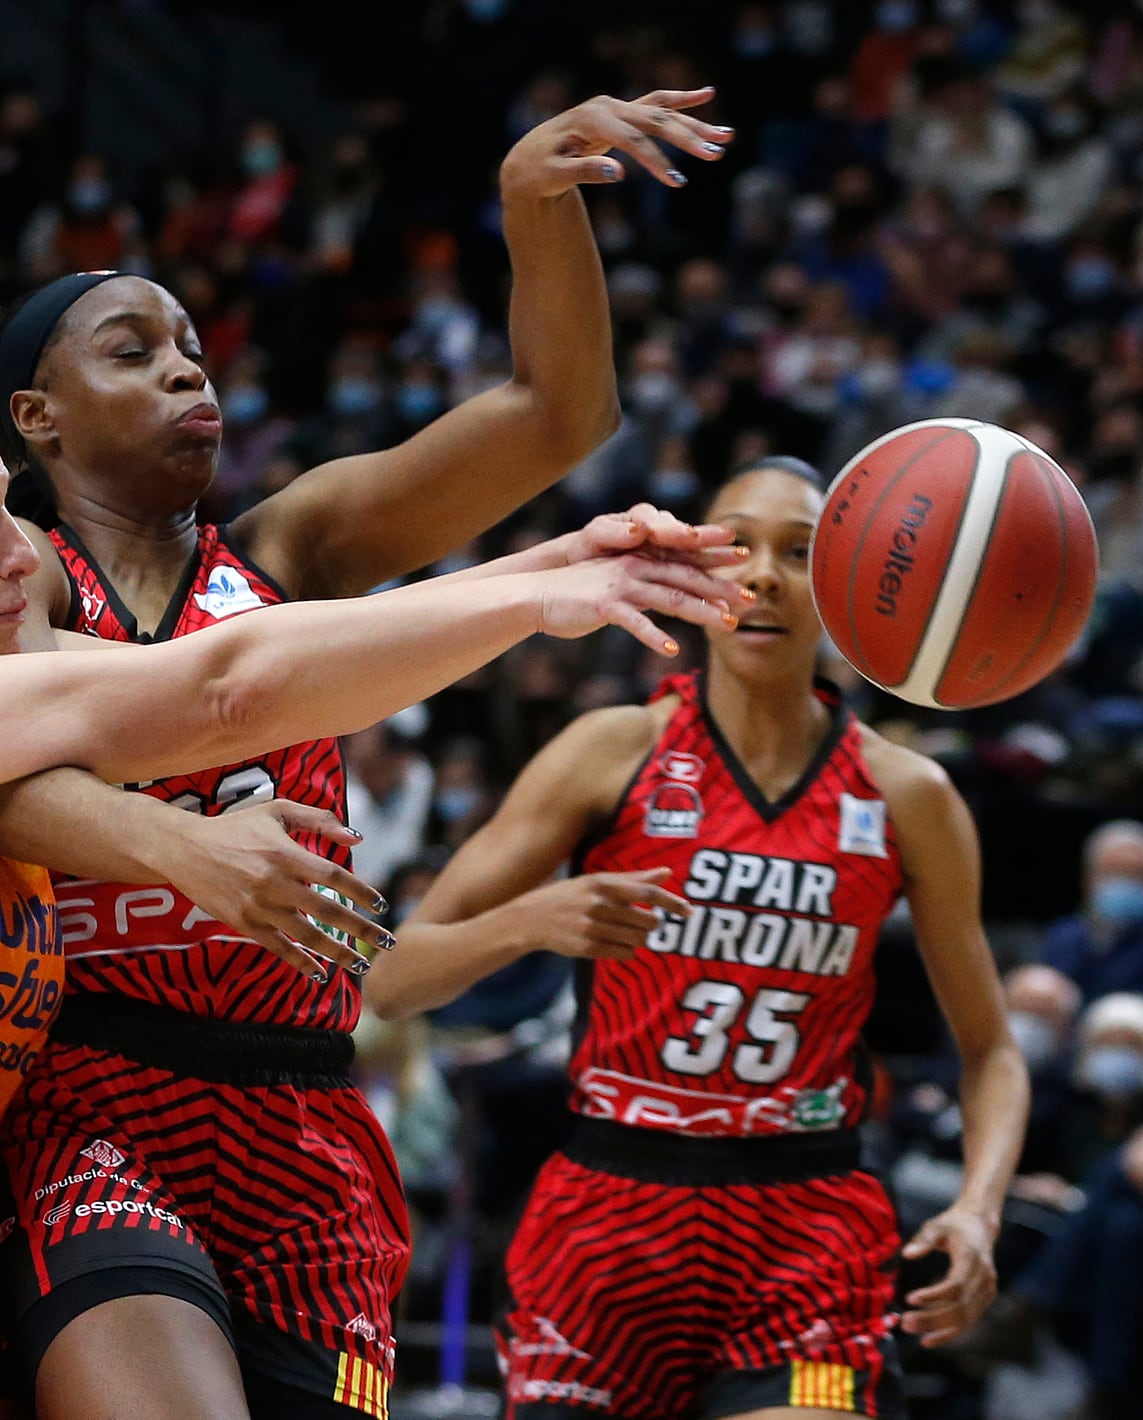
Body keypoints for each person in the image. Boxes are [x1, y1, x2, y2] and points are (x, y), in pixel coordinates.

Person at [0, 387, 740, 1420]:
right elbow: (224, 688)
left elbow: (258, 665)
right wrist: (542, 601)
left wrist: (552, 566)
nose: (24, 554)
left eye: (13, 515)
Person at [0, 90, 739, 1419]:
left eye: (191, 345)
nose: (188, 368)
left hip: (303, 1121)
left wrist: (533, 205)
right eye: (133, 352)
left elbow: (554, 414)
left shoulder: (288, 552)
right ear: (39, 417)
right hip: (93, 1095)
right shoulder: (21, 591)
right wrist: (178, 845)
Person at [365, 458, 1030, 1420]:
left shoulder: (907, 793)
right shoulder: (612, 749)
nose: (763, 575)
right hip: (610, 1211)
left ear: (848, 583)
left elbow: (992, 1050)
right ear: (694, 573)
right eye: (738, 546)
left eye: (801, 553)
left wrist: (978, 1208)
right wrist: (533, 921)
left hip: (807, 1223)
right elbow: (390, 983)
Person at [1041, 819, 1143, 1024]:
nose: (1123, 882)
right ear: (1088, 880)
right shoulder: (1064, 935)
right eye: (1113, 872)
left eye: (1136, 874)